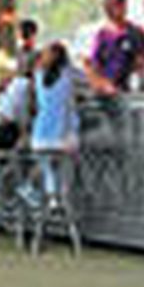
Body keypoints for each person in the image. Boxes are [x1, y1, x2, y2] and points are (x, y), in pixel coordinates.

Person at [27, 43, 81, 205]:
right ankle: (63, 196)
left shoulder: (38, 75)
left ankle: (50, 197)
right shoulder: (69, 74)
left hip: (39, 137)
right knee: (71, 156)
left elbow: (37, 103)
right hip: (63, 138)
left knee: (46, 163)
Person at [83, 0, 144, 95]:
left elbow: (142, 63)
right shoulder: (102, 36)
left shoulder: (137, 33)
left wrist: (142, 85)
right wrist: (103, 84)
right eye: (107, 6)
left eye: (115, 5)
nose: (110, 9)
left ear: (124, 6)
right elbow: (94, 66)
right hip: (107, 94)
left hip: (129, 92)